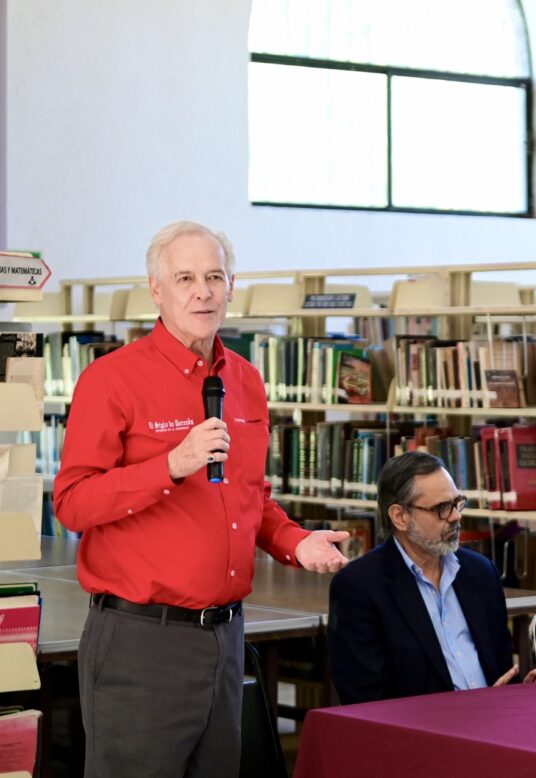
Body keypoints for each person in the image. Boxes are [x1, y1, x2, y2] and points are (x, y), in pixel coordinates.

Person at [54, 221, 349, 778]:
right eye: (185, 277)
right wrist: (169, 465)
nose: (202, 291)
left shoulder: (246, 380)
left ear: (232, 286)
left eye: (215, 276)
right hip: (141, 642)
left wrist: (295, 541)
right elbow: (72, 503)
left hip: (226, 639)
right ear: (156, 290)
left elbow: (250, 498)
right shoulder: (110, 380)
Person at [328, 450, 536, 704]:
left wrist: (515, 692)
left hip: (492, 723)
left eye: (457, 502)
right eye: (442, 508)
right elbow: (363, 699)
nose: (456, 516)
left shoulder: (480, 573)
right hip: (420, 735)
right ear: (400, 516)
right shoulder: (360, 587)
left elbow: (500, 669)